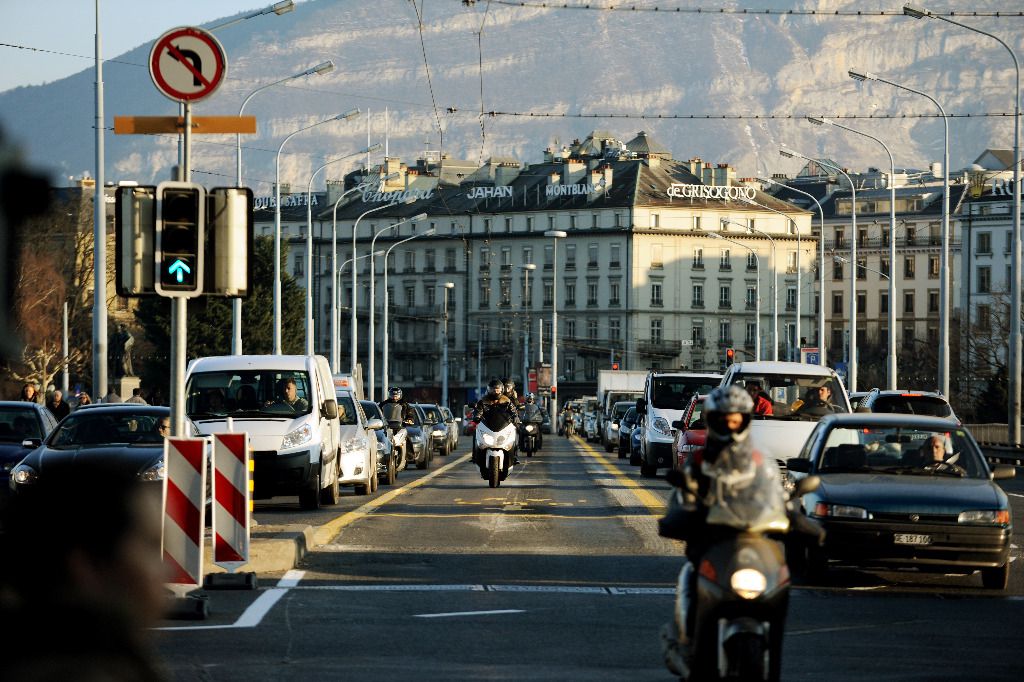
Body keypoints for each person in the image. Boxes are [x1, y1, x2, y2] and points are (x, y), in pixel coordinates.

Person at [0, 463, 170, 681]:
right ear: (87, 565)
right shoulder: (83, 671)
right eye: (151, 547)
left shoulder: (26, 652)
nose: (165, 569)